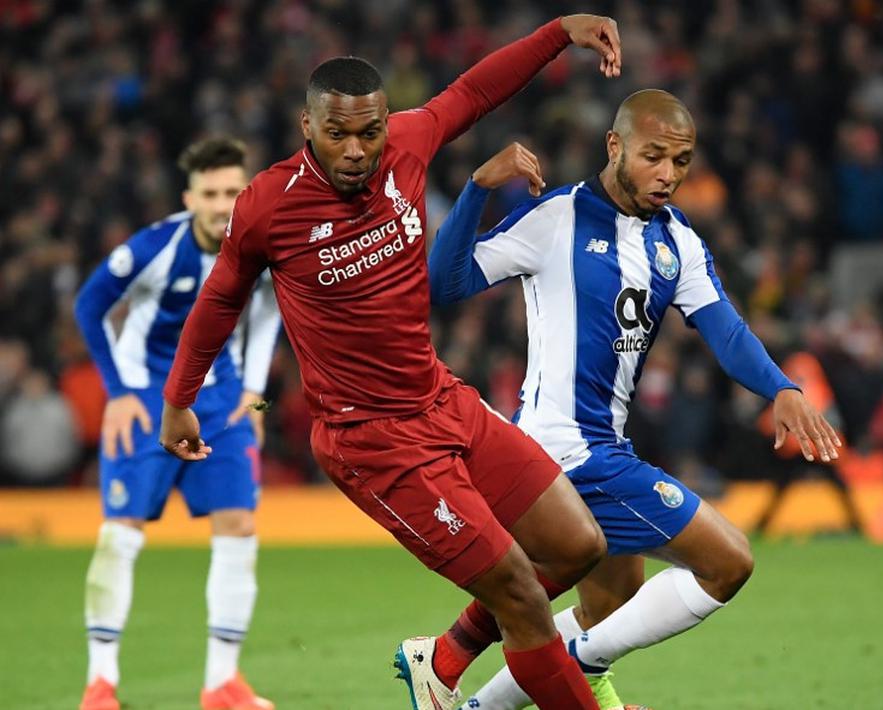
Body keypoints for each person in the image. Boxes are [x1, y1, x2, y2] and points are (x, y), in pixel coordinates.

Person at [160, 16, 624, 710]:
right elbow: (219, 300)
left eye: (369, 132)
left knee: (577, 545)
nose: (356, 150)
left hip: (441, 399)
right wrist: (178, 400)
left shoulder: (409, 142)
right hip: (372, 441)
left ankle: (443, 659)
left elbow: (473, 92)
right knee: (523, 598)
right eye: (337, 134)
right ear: (307, 126)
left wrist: (559, 32)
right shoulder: (267, 206)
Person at [427, 90, 842, 709]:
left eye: (681, 161)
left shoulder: (677, 241)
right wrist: (478, 189)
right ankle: (573, 664)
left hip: (605, 445)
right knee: (728, 562)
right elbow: (444, 283)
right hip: (563, 450)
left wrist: (780, 387)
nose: (668, 174)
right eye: (654, 157)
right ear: (615, 146)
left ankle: (475, 700)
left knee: (607, 606)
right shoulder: (557, 218)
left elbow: (726, 330)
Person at [74, 138, 281, 710]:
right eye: (209, 194)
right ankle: (100, 683)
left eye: (232, 192)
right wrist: (118, 394)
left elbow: (270, 311)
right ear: (189, 198)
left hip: (222, 401)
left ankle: (222, 683)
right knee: (121, 531)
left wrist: (254, 393)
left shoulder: (260, 246)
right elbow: (89, 305)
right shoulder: (154, 247)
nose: (221, 205)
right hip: (146, 399)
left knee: (240, 525)